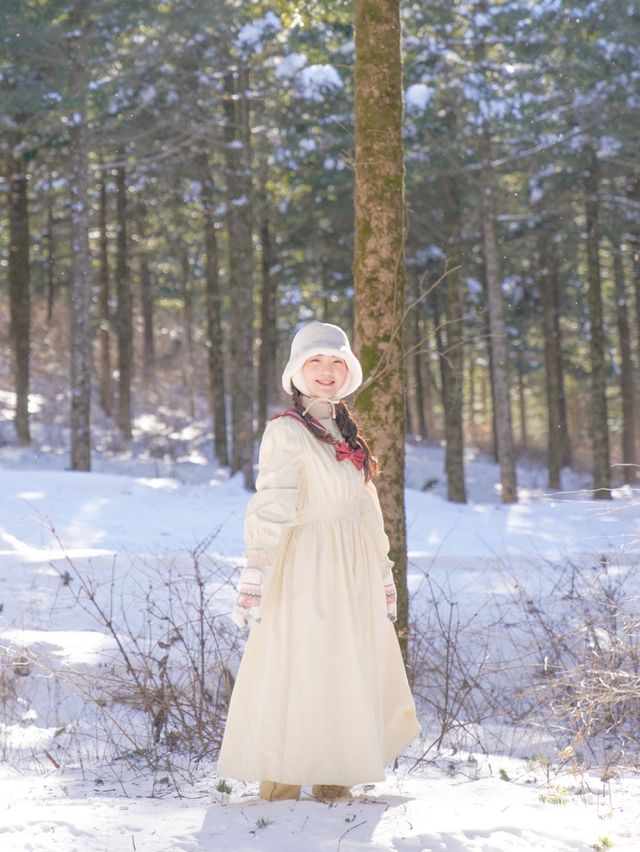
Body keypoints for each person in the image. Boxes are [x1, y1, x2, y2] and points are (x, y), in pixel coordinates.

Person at [217, 321, 420, 802]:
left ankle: (337, 771)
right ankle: (283, 778)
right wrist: (255, 567)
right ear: (297, 370)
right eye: (316, 361)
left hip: (353, 564)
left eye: (336, 362)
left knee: (345, 662)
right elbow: (272, 499)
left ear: (348, 370)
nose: (327, 372)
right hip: (308, 559)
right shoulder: (288, 430)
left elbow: (367, 508)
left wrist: (383, 570)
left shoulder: (346, 430)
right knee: (303, 659)